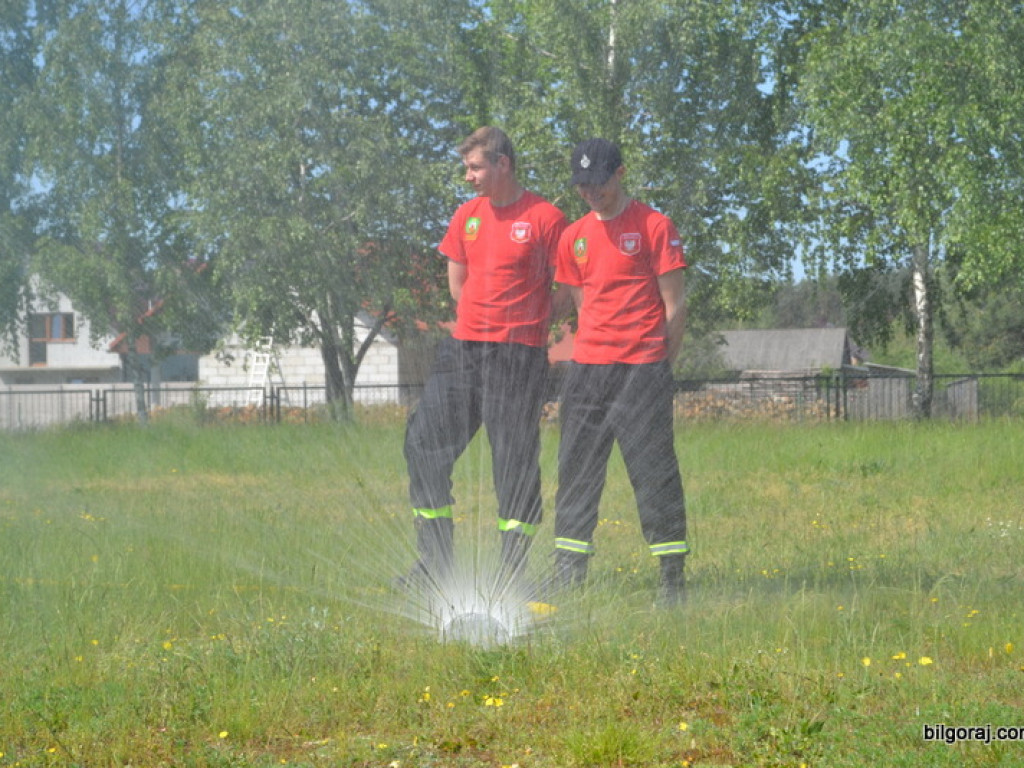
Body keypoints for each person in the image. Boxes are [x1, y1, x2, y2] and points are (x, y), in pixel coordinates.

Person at [401, 126, 568, 593]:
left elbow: (569, 287)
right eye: (467, 168)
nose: (469, 177)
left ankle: (512, 572)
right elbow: (458, 283)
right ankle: (436, 562)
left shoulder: (546, 218)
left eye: (475, 168)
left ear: (503, 164)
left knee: (513, 463)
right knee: (421, 445)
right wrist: (478, 322)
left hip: (518, 355)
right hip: (464, 349)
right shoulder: (466, 217)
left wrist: (528, 323)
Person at [552, 138, 690, 605]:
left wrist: (658, 367)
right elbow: (581, 304)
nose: (591, 192)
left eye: (599, 183)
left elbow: (675, 306)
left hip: (642, 370)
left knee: (653, 473)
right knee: (576, 471)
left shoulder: (655, 226)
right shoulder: (573, 237)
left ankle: (672, 579)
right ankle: (570, 572)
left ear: (620, 174)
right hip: (587, 371)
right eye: (582, 185)